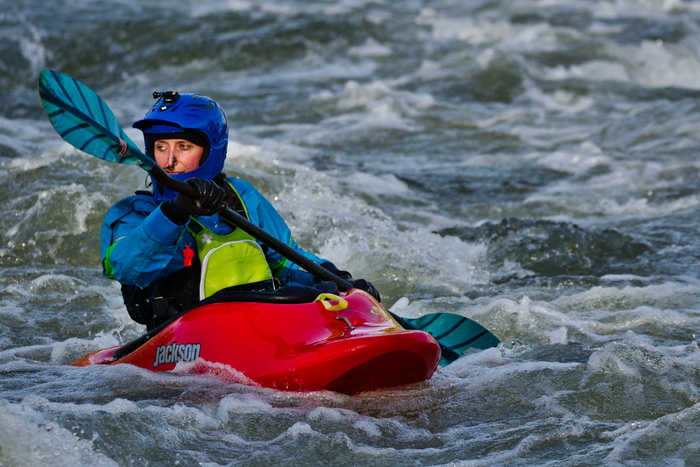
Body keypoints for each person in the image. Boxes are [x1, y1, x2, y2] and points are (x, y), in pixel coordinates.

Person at [100, 91, 379, 330]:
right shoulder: (134, 212)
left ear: (211, 151)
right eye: (160, 147)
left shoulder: (240, 196)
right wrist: (173, 213)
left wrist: (338, 279)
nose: (169, 161)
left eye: (184, 147)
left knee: (319, 292)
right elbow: (127, 269)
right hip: (185, 339)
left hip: (261, 323)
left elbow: (285, 259)